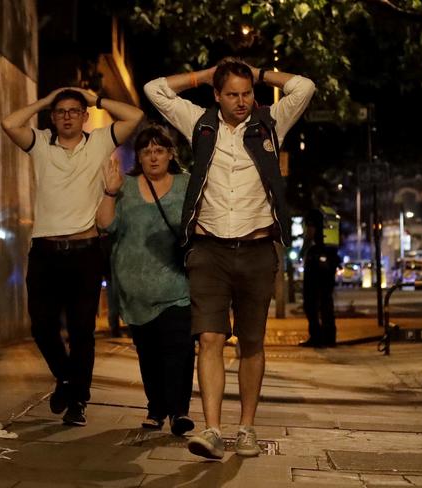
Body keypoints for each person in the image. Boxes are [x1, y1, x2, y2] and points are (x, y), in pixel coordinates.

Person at [144, 60, 315, 458]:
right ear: (217, 96)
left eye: (246, 93)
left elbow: (304, 86)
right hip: (208, 251)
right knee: (209, 338)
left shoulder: (270, 122)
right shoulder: (199, 124)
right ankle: (212, 429)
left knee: (252, 343)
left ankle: (247, 428)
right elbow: (155, 88)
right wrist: (203, 75)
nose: (241, 101)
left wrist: (258, 74)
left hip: (257, 250)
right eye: (232, 94)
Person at [1, 87, 143, 426]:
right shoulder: (40, 144)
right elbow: (9, 122)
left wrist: (95, 99)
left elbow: (134, 116)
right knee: (41, 326)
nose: (67, 116)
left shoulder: (99, 141)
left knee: (81, 331)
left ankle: (78, 400)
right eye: (60, 111)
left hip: (85, 252)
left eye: (73, 110)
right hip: (45, 252)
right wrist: (45, 100)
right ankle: (65, 378)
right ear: (53, 117)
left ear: (84, 116)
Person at [96, 125, 195, 436]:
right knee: (149, 353)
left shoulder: (186, 184)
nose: (153, 157)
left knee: (179, 350)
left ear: (170, 154)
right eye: (146, 151)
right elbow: (105, 225)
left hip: (177, 286)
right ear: (138, 156)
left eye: (159, 150)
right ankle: (156, 408)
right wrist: (110, 192)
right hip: (134, 290)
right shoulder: (123, 186)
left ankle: (179, 412)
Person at [300, 209, 341, 348]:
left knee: (310, 300)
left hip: (316, 257)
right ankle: (330, 337)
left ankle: (316, 336)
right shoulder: (332, 213)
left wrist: (303, 251)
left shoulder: (314, 212)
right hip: (331, 257)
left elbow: (310, 233)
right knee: (326, 300)